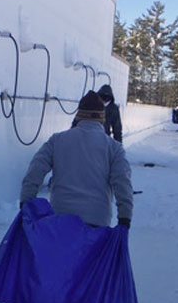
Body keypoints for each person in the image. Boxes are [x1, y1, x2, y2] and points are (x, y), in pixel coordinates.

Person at [20, 91, 133, 228]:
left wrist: (25, 202)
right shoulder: (114, 148)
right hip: (97, 221)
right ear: (102, 118)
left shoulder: (57, 141)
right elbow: (122, 182)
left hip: (60, 219)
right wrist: (125, 218)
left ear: (78, 115)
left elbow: (35, 170)